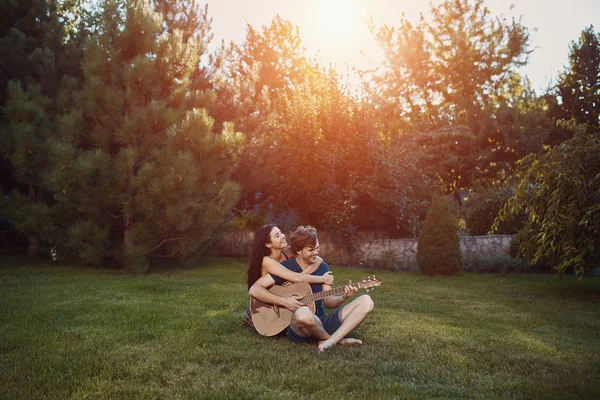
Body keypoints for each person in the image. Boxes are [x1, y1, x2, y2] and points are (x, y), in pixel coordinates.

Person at [249, 226, 374, 352]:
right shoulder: (285, 267)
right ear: (298, 250)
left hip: (320, 320)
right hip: (299, 326)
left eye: (317, 248)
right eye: (311, 250)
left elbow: (329, 302)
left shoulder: (322, 266)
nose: (316, 252)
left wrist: (344, 297)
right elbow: (256, 288)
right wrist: (285, 301)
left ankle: (328, 341)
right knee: (303, 313)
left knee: (366, 301)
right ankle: (336, 339)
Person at [244, 224, 334, 328]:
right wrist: (323, 279)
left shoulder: (287, 252)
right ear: (268, 244)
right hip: (267, 304)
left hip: (284, 299)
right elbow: (294, 277)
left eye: (281, 232)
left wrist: (299, 277)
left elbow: (317, 259)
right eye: (277, 235)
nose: (282, 236)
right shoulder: (267, 261)